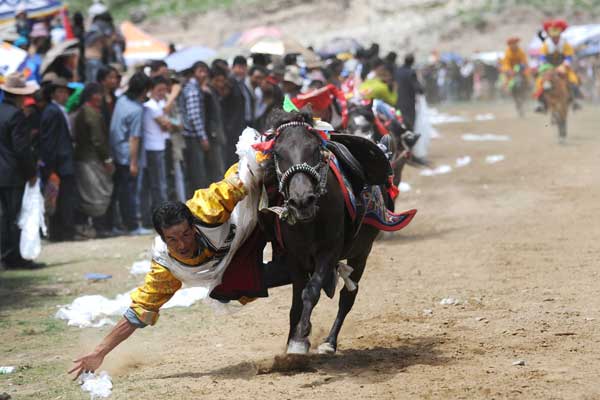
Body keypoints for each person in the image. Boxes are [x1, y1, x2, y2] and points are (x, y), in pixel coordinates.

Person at [69, 164, 291, 378]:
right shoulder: (166, 265)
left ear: (194, 226)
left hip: (250, 223)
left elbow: (242, 174)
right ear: (162, 238)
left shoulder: (208, 208)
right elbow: (139, 311)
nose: (182, 245)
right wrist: (100, 352)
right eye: (172, 239)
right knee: (229, 288)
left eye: (185, 235)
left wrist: (267, 153)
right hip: (234, 256)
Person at [0, 73, 43, 269]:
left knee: (5, 217)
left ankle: (6, 255)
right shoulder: (16, 115)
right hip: (12, 174)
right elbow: (21, 149)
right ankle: (13, 257)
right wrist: (31, 172)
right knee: (14, 216)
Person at [109, 72, 151, 235]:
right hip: (127, 155)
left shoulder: (121, 101)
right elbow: (134, 138)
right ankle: (133, 225)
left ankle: (119, 224)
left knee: (120, 191)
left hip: (116, 151)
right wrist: (134, 163)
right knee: (129, 192)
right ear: (144, 90)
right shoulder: (136, 110)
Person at [40, 76, 80, 242]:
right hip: (59, 165)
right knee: (61, 199)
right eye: (61, 92)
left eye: (65, 92)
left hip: (63, 163)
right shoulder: (52, 111)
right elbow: (48, 142)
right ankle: (62, 233)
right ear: (53, 94)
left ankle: (64, 232)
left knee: (64, 199)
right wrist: (51, 168)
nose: (64, 95)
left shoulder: (58, 110)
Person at [73, 83, 114, 238]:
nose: (101, 97)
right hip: (91, 160)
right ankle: (99, 228)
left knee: (89, 194)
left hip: (85, 159)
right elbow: (98, 140)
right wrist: (107, 160)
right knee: (96, 194)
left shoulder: (84, 111)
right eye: (98, 94)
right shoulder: (92, 114)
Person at [535, 19, 582, 112]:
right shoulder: (546, 44)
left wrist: (565, 64)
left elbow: (569, 56)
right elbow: (542, 56)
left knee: (573, 78)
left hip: (563, 66)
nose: (555, 38)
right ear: (551, 36)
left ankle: (575, 100)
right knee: (541, 80)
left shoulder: (565, 44)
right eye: (553, 36)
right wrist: (546, 65)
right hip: (549, 66)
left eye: (556, 36)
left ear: (560, 35)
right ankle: (541, 103)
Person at [179, 61, 210, 197]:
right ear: (194, 73)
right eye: (200, 71)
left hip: (192, 136)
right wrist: (203, 137)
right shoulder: (192, 90)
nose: (203, 74)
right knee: (198, 174)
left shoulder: (196, 88)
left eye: (205, 71)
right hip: (193, 137)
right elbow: (194, 116)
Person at [142, 76, 171, 215]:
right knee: (158, 185)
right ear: (151, 90)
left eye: (164, 90)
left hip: (159, 147)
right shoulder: (150, 106)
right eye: (159, 90)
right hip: (153, 149)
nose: (162, 93)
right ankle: (161, 214)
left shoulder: (158, 104)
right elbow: (166, 124)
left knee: (160, 183)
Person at [203, 66, 227, 181]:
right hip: (212, 136)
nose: (220, 84)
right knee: (216, 168)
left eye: (222, 81)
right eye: (217, 81)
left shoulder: (215, 93)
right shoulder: (207, 93)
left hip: (217, 136)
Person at [394, 54, 424, 131]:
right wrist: (422, 90)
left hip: (397, 100)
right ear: (412, 62)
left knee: (399, 117)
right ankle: (409, 136)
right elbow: (417, 87)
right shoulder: (411, 72)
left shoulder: (397, 71)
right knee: (410, 121)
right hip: (409, 102)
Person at [231, 55, 254, 128]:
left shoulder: (245, 85)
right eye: (239, 67)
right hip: (234, 126)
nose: (242, 71)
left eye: (244, 68)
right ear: (233, 68)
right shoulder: (230, 84)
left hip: (247, 124)